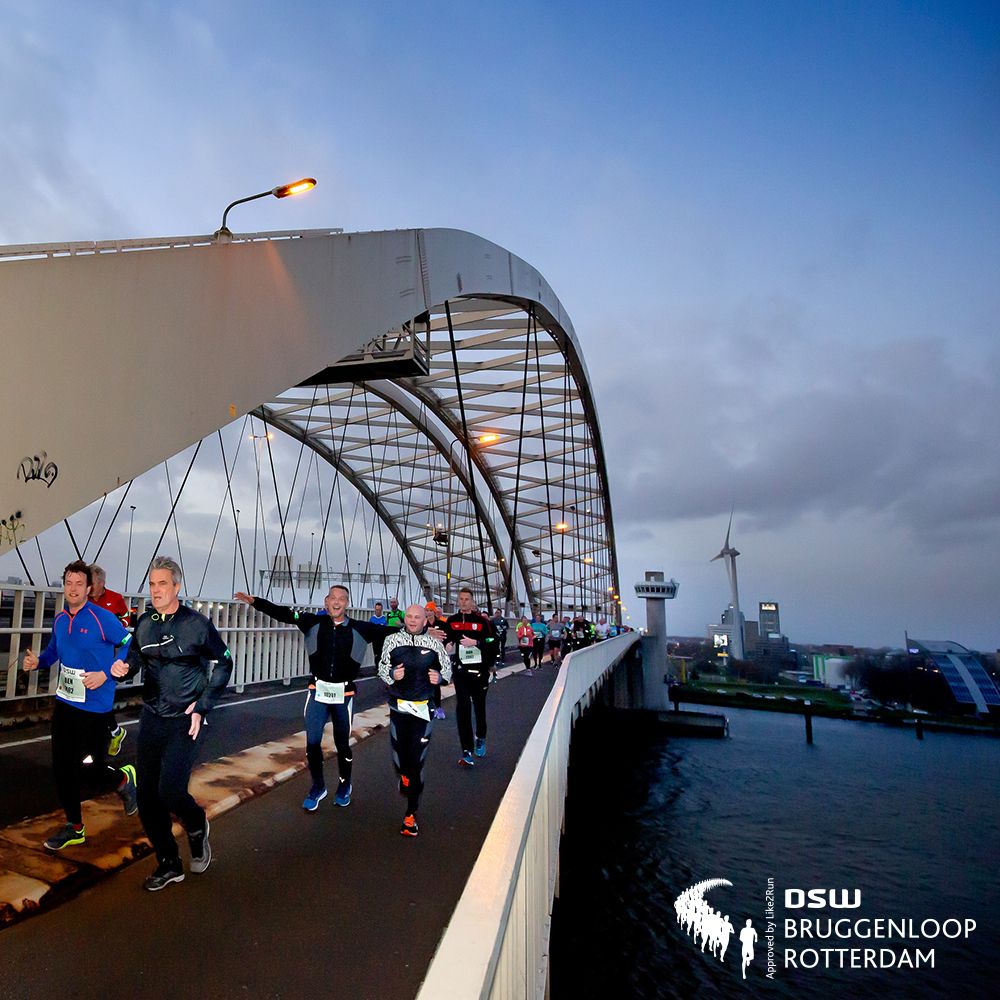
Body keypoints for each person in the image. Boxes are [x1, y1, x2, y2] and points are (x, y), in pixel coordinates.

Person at [110, 556, 231, 891]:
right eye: (152, 584)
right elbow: (136, 656)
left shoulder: (197, 624)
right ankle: (168, 863)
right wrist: (124, 669)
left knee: (170, 791)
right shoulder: (144, 622)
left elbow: (225, 662)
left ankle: (196, 823)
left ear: (177, 586)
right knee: (148, 797)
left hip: (184, 719)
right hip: (152, 716)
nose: (156, 590)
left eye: (162, 584)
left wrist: (202, 706)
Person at [234, 584, 396, 812]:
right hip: (318, 692)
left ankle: (344, 784)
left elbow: (392, 632)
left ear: (346, 603)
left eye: (342, 599)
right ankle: (318, 786)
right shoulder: (313, 622)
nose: (337, 602)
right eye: (333, 598)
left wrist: (423, 632)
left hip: (344, 694)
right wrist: (256, 602)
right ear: (326, 602)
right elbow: (284, 613)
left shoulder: (362, 628)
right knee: (312, 743)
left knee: (342, 744)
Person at [22, 560, 138, 851]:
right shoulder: (61, 620)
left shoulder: (101, 617)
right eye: (68, 583)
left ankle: (124, 778)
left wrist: (109, 671)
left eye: (78, 584)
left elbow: (128, 641)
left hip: (95, 708)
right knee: (62, 768)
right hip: (65, 703)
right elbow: (53, 653)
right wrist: (38, 662)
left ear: (88, 588)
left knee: (89, 770)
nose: (73, 589)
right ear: (64, 586)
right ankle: (75, 827)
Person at [378, 604, 451, 837]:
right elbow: (381, 669)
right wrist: (391, 675)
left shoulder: (434, 644)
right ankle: (404, 777)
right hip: (398, 707)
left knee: (416, 761)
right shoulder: (391, 640)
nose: (412, 620)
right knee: (400, 758)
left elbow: (448, 672)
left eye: (417, 617)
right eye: (408, 616)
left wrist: (439, 678)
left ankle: (411, 814)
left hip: (423, 709)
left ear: (425, 620)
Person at [444, 587, 498, 766]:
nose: (464, 602)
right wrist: (448, 644)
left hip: (480, 672)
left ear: (473, 601)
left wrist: (476, 642)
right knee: (463, 708)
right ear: (457, 601)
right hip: (460, 672)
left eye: (467, 599)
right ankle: (466, 750)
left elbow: (493, 641)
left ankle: (481, 737)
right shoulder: (452, 621)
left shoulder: (482, 621)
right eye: (461, 599)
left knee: (479, 708)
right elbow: (446, 638)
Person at [89, 563, 131, 756]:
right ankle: (114, 732)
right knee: (90, 696)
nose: (89, 586)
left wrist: (115, 625)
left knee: (101, 695)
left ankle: (109, 735)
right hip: (88, 653)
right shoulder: (84, 599)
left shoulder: (115, 598)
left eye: (92, 582)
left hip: (108, 653)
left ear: (101, 582)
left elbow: (126, 618)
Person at [489, 608, 508, 683]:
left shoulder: (504, 620)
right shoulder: (493, 620)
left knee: (502, 647)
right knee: (496, 648)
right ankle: (497, 660)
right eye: (496, 612)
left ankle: (502, 660)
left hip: (502, 636)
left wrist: (503, 629)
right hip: (495, 637)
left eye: (498, 612)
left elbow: (507, 627)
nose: (497, 614)